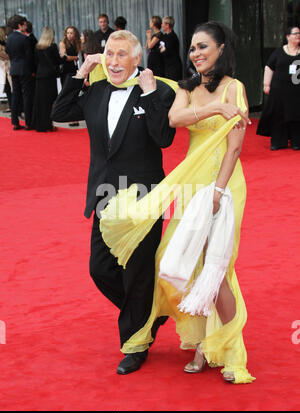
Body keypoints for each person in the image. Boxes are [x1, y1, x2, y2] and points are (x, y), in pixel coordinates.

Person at [98, 21, 255, 384]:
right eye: (193, 48)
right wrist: (216, 109)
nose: (196, 54)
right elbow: (174, 118)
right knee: (177, 264)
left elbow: (234, 147)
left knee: (216, 272)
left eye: (203, 47)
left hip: (224, 184)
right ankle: (200, 339)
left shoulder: (235, 88)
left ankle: (226, 352)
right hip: (189, 183)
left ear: (221, 49)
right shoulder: (188, 87)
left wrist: (217, 191)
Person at [51, 30, 176, 375]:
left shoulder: (158, 91)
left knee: (137, 274)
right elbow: (59, 112)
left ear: (138, 59)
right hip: (106, 196)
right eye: (109, 54)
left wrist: (150, 94)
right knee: (100, 268)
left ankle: (135, 346)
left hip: (142, 198)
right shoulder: (98, 90)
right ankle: (148, 315)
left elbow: (164, 138)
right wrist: (80, 73)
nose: (114, 61)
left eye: (122, 55)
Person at [257, 26, 300, 150]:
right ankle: (278, 142)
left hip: (297, 93)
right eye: (295, 33)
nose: (298, 35)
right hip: (279, 92)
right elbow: (269, 67)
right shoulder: (279, 52)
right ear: (288, 36)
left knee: (296, 115)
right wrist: (266, 84)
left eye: (299, 33)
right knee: (278, 115)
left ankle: (296, 141)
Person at [31, 27, 65, 132]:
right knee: (49, 101)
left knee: (40, 101)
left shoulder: (37, 47)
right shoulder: (53, 46)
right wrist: (65, 57)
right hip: (49, 76)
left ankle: (40, 124)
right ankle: (48, 124)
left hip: (40, 76)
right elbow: (57, 61)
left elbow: (35, 62)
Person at [5, 15, 35, 130]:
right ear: (20, 25)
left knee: (15, 95)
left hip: (14, 69)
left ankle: (15, 122)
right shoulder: (24, 39)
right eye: (24, 24)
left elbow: (8, 52)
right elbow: (29, 57)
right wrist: (32, 70)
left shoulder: (9, 38)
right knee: (27, 96)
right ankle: (28, 122)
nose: (26, 26)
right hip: (24, 69)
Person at [59, 25, 81, 126]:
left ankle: (74, 117)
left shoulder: (77, 43)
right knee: (66, 92)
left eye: (71, 33)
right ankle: (67, 116)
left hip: (74, 69)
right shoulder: (63, 43)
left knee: (74, 93)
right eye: (68, 33)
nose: (69, 35)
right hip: (66, 70)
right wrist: (75, 57)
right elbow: (64, 57)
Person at [159, 16, 182, 81]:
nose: (161, 25)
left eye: (163, 23)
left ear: (167, 25)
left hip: (173, 66)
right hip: (167, 66)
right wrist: (162, 49)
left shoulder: (172, 37)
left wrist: (163, 49)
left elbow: (166, 51)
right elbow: (160, 49)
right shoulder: (165, 36)